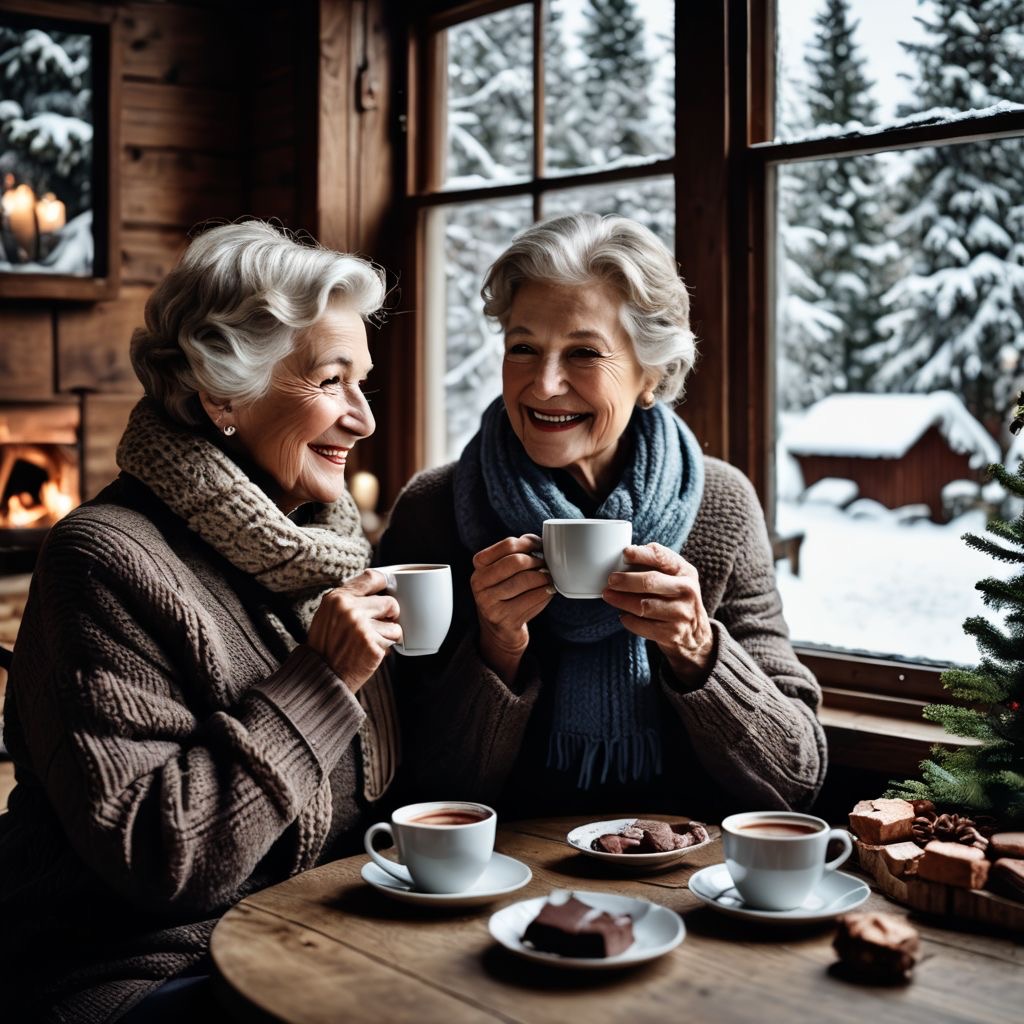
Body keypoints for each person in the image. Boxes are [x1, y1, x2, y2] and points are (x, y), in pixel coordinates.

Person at [0, 221, 402, 1022]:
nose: (364, 420)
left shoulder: (322, 552)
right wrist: (321, 684)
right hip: (139, 975)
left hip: (316, 944)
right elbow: (159, 858)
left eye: (363, 383)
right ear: (223, 394)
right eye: (331, 381)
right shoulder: (103, 560)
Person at [380, 212, 826, 819]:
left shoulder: (723, 504)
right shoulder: (432, 511)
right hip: (491, 881)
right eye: (523, 348)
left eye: (584, 352)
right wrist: (497, 650)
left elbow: (796, 778)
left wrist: (697, 648)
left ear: (652, 374)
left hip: (681, 875)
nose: (544, 383)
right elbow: (410, 785)